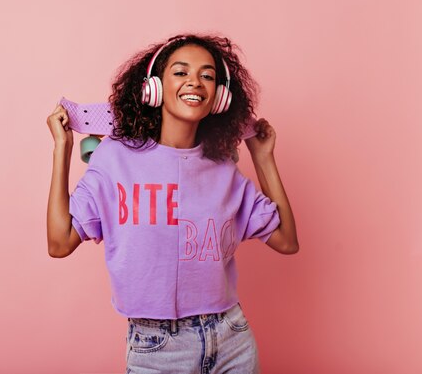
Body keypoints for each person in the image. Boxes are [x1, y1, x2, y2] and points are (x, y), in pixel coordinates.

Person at [46, 33, 298, 374]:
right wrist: (62, 148)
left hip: (231, 338)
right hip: (157, 348)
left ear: (220, 97)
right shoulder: (115, 157)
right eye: (181, 72)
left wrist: (264, 158)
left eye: (208, 75)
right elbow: (60, 243)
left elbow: (286, 240)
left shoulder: (222, 164)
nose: (195, 81)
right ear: (154, 86)